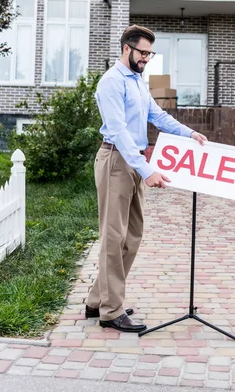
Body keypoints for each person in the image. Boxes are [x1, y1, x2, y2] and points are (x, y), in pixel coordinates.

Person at [85, 25, 207, 333]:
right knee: (114, 238)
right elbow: (117, 131)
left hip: (133, 161)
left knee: (133, 236)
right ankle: (111, 312)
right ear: (126, 48)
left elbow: (158, 116)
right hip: (116, 159)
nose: (147, 59)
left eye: (150, 54)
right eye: (143, 53)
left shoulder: (137, 81)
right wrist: (147, 169)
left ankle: (97, 299)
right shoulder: (112, 82)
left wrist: (189, 133)